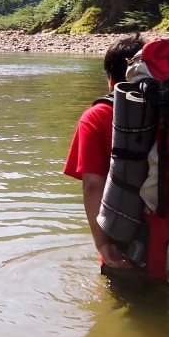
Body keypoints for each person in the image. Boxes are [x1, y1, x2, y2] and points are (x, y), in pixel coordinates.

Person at [64, 34, 146, 274]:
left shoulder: (97, 116)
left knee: (121, 308)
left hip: (125, 242)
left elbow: (93, 185)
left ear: (111, 80)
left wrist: (102, 243)